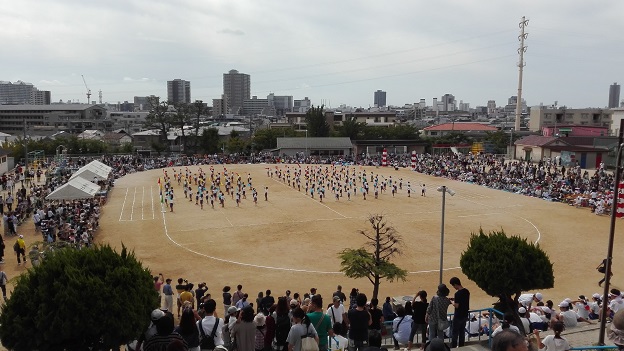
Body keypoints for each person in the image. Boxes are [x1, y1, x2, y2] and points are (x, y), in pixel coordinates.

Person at [449, 277, 469, 348]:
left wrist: (451, 301)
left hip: (458, 316)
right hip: (465, 314)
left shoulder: (457, 294)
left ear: (455, 284)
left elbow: (456, 305)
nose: (454, 287)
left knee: (455, 333)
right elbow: (463, 301)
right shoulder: (466, 291)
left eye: (453, 285)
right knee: (462, 332)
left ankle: (453, 347)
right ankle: (461, 346)